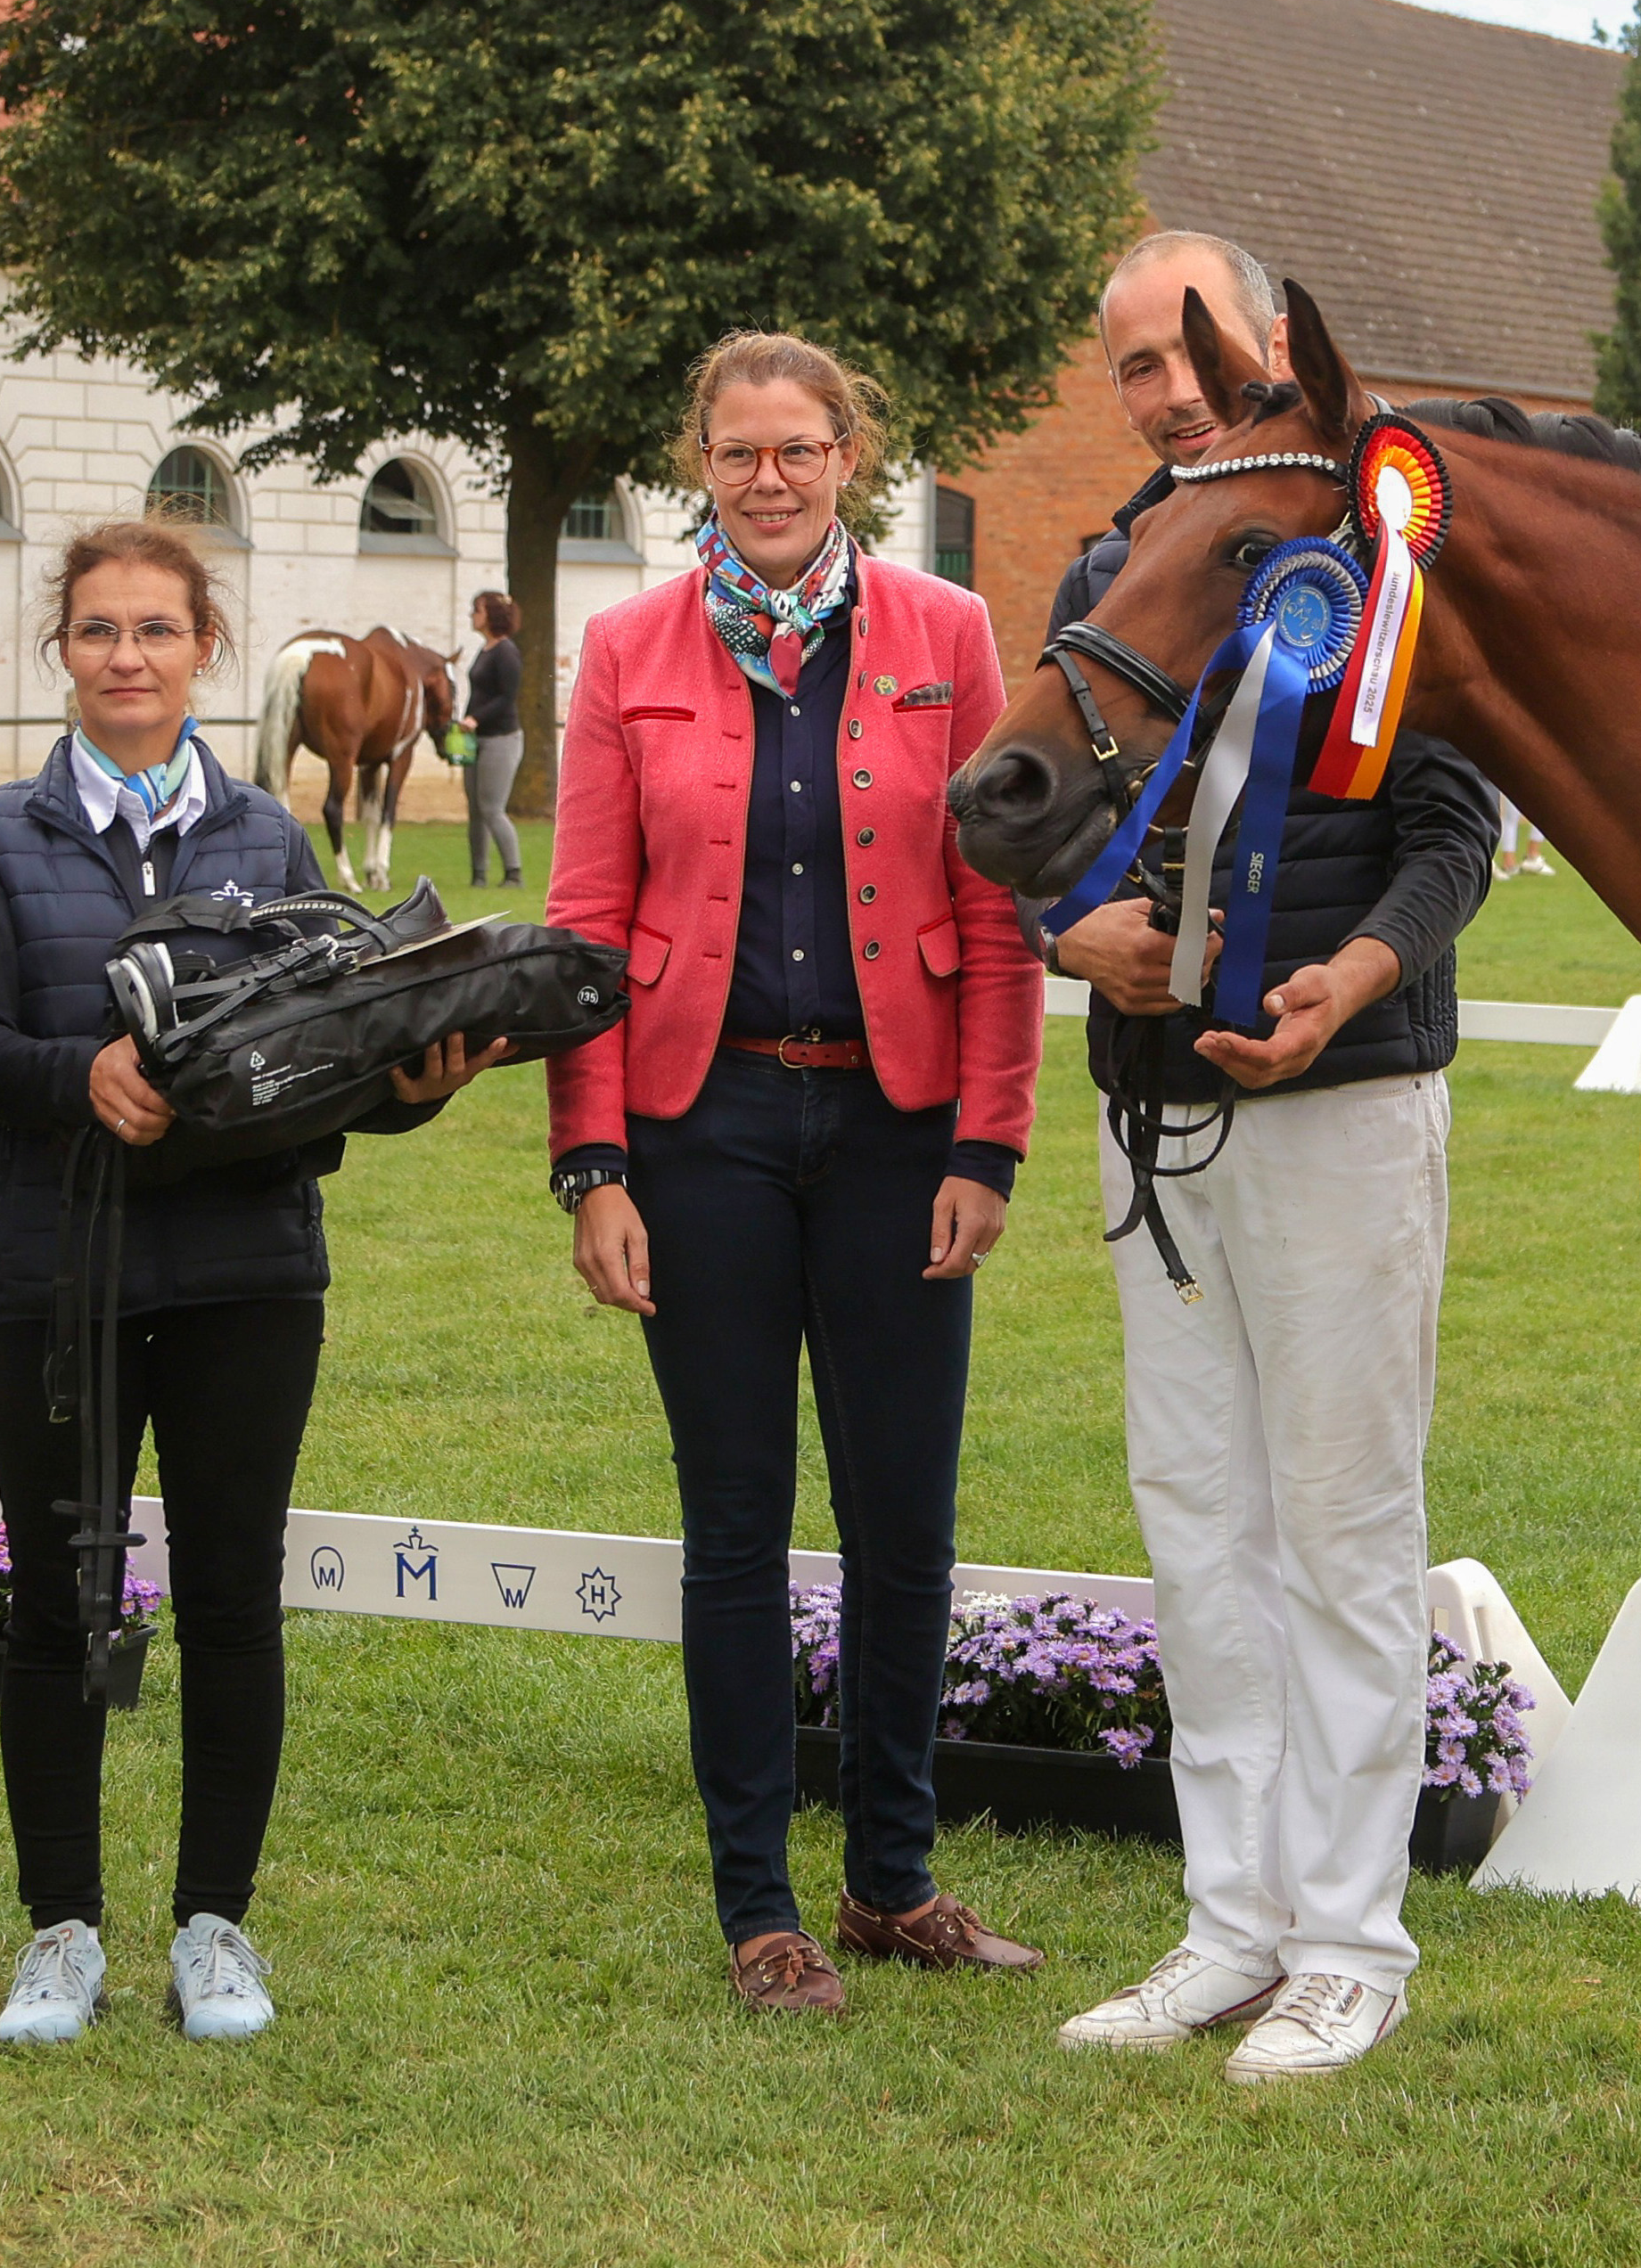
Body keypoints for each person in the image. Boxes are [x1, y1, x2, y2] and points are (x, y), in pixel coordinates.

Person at [0, 519, 503, 2048]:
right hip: (58, 1279)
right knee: (57, 1609)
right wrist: (79, 1071)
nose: (128, 655)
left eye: (156, 631)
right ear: (66, 648)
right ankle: (61, 1934)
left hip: (250, 1273)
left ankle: (212, 1930)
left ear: (205, 649)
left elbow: (321, 1058)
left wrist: (420, 1080)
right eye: (101, 629)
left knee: (234, 1603)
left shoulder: (266, 839)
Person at [1043, 231, 1496, 2084]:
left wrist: (1350, 976)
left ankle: (1351, 1941)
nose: (1165, 391)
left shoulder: (1385, 561)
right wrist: (1077, 933)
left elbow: (1455, 830)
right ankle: (1229, 1922)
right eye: (1135, 367)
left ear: (1256, 343)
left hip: (1345, 1107)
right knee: (1199, 1533)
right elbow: (1046, 815)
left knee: (1340, 1531)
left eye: (1187, 352)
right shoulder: (1108, 568)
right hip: (1155, 1114)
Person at [550, 332, 1045, 2018]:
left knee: (906, 1524)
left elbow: (994, 909)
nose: (770, 478)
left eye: (801, 449)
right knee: (737, 1526)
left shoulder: (948, 635)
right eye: (739, 451)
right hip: (704, 1133)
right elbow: (583, 931)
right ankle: (762, 1907)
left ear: (852, 458)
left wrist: (988, 1141)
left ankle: (894, 1881)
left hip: (901, 1130)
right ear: (701, 462)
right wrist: (590, 1162)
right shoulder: (626, 646)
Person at [462, 590, 524, 888]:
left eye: (477, 610)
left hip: (502, 738)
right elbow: (479, 693)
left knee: (492, 808)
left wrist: (477, 718)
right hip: (477, 739)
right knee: (475, 809)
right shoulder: (485, 649)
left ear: (492, 615)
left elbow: (507, 696)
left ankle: (513, 873)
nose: (472, 615)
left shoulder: (506, 651)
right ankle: (479, 874)